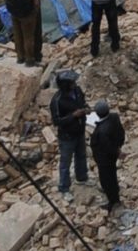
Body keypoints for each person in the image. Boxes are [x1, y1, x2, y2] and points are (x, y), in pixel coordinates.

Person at [51, 69, 90, 197]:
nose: (74, 83)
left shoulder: (77, 91)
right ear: (65, 85)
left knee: (81, 156)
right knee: (65, 163)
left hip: (79, 131)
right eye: (71, 82)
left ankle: (82, 178)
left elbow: (83, 102)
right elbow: (56, 121)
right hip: (67, 136)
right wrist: (73, 116)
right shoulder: (57, 100)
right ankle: (64, 187)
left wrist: (86, 109)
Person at [90, 98, 125, 210]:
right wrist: (118, 147)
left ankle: (113, 201)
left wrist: (116, 151)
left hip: (105, 158)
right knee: (112, 175)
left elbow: (107, 146)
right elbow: (121, 132)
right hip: (111, 155)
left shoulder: (102, 131)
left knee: (106, 179)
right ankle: (115, 193)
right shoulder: (114, 117)